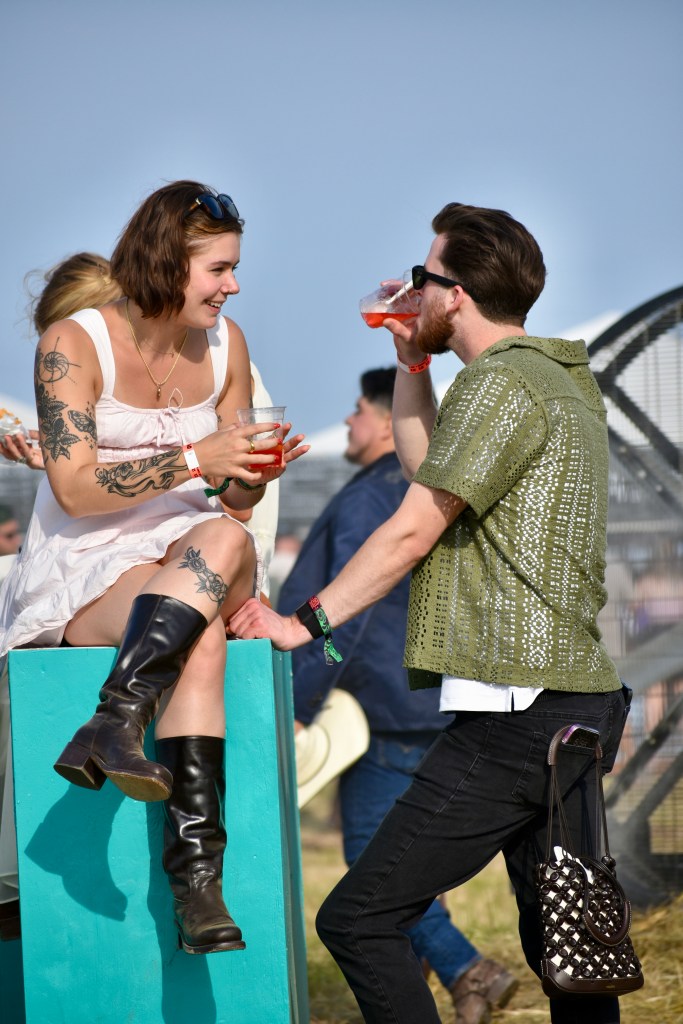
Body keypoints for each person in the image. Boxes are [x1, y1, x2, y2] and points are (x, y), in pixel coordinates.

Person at [229, 202, 630, 1024]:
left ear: (456, 293)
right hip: (568, 709)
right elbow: (427, 469)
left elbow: (411, 527)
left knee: (358, 920)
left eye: (423, 276)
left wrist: (303, 623)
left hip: (516, 714)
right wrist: (411, 360)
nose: (409, 288)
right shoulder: (548, 379)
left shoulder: (499, 383)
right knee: (569, 954)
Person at [0, 180, 307, 954]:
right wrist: (196, 457)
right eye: (219, 269)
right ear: (167, 261)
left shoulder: (228, 344)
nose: (233, 285)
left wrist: (250, 473)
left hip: (189, 549)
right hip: (87, 563)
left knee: (225, 538)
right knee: (198, 633)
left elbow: (232, 505)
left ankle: (113, 722)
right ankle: (197, 879)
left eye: (234, 268)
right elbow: (71, 490)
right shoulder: (72, 342)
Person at [280, 366, 517, 1023]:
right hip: (436, 696)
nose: (350, 421)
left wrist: (300, 707)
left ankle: (465, 966)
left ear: (387, 421)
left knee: (370, 864)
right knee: (406, 860)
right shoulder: (427, 487)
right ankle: (452, 980)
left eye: (357, 409)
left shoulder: (364, 497)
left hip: (379, 709)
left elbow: (344, 614)